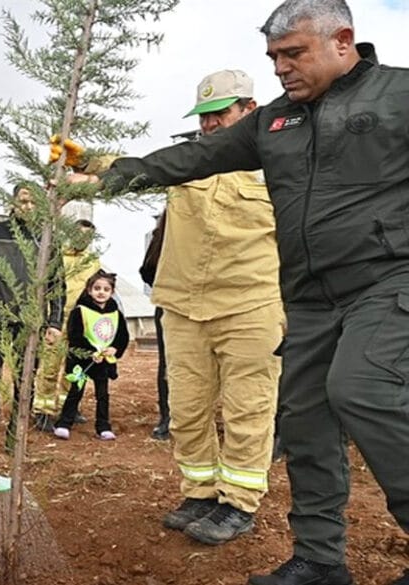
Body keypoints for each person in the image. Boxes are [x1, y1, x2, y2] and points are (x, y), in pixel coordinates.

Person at [69, 2, 408, 582]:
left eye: (294, 54)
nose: (281, 69)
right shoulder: (275, 123)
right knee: (305, 425)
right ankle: (320, 561)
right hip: (306, 298)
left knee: (361, 388)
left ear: (342, 40)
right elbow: (192, 157)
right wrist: (105, 175)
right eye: (274, 58)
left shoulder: (396, 97)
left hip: (385, 281)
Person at [150, 70, 284, 547]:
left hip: (251, 305)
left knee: (249, 409)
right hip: (184, 307)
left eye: (219, 114)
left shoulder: (281, 162)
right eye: (203, 117)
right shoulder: (189, 161)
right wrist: (91, 166)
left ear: (249, 109)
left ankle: (239, 503)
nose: (209, 125)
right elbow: (141, 168)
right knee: (187, 409)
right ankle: (200, 493)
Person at [0, 184, 63, 457]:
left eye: (34, 202)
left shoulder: (48, 238)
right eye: (23, 201)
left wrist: (54, 321)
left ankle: (15, 435)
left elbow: (57, 284)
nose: (28, 207)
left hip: (30, 323)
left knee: (25, 379)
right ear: (13, 203)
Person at [33, 218, 99, 432]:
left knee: (76, 369)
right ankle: (43, 411)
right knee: (50, 367)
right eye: (80, 234)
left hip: (80, 323)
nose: (83, 239)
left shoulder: (93, 261)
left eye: (88, 236)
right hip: (57, 321)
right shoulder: (56, 255)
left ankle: (68, 407)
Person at [53, 270, 129, 441]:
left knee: (103, 394)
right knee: (76, 391)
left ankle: (103, 426)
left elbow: (122, 336)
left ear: (112, 292)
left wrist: (115, 349)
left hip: (103, 362)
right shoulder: (80, 311)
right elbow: (75, 336)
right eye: (97, 288)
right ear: (89, 290)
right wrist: (89, 353)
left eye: (106, 289)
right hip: (82, 361)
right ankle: (64, 423)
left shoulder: (116, 314)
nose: (101, 292)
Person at [140, 211, 170, 441]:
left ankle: (167, 419)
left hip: (169, 302)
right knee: (169, 364)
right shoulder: (161, 233)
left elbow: (147, 271)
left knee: (169, 364)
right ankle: (168, 418)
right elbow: (147, 269)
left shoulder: (162, 230)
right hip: (170, 304)